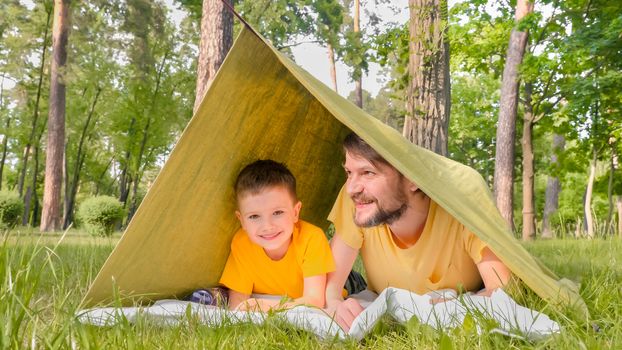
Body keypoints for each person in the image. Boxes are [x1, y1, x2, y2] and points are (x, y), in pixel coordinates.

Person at [325, 133, 512, 331]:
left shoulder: (462, 203)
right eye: (348, 172)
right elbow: (331, 291)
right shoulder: (360, 203)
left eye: (368, 172)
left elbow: (502, 288)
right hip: (366, 287)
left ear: (412, 178)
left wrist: (449, 308)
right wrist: (335, 305)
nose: (351, 188)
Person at [219, 159, 335, 311]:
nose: (267, 226)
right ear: (242, 220)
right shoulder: (241, 242)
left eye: (277, 212)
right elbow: (239, 301)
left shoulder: (312, 238)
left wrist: (268, 308)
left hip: (332, 278)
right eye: (254, 216)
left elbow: (315, 300)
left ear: (295, 212)